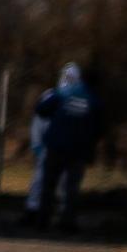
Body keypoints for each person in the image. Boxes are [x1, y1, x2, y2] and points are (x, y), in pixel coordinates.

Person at [26, 62, 99, 228]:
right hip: (74, 149)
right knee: (66, 186)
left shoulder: (59, 94)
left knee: (50, 184)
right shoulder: (88, 96)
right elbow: (97, 122)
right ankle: (64, 221)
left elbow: (41, 110)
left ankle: (43, 219)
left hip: (56, 148)